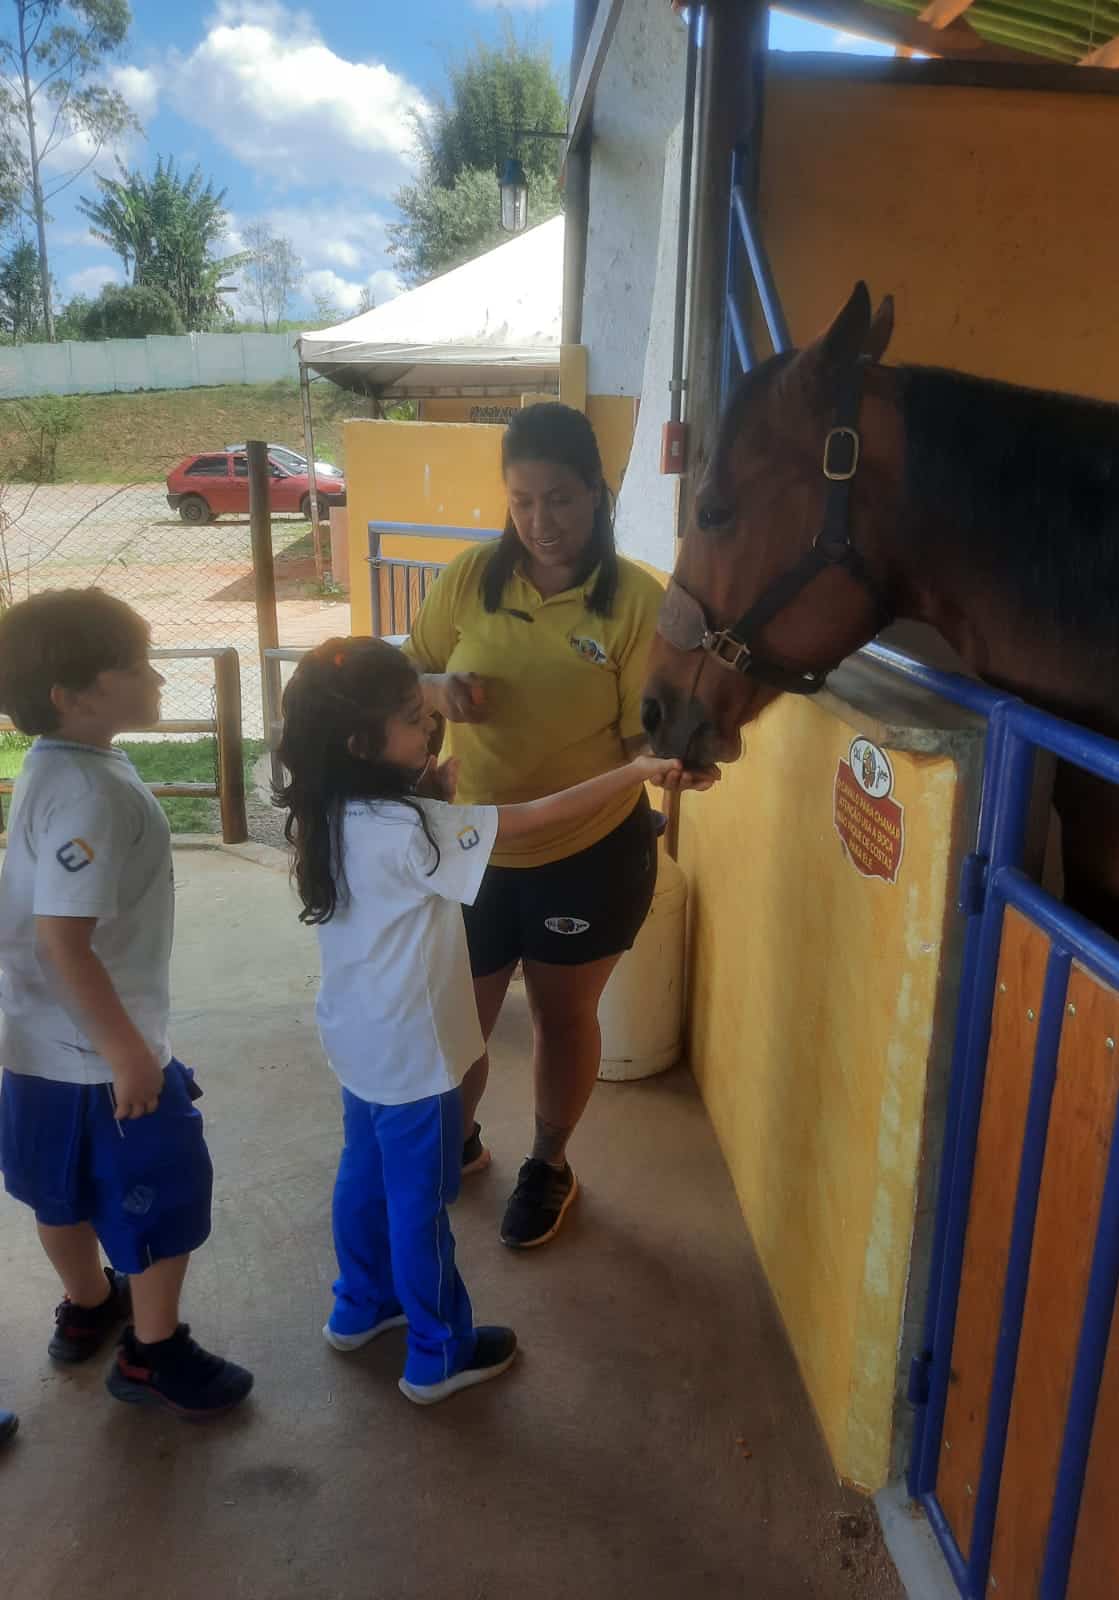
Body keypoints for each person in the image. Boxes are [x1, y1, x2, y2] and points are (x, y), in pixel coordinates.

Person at [275, 637, 709, 1403]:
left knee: (363, 1174)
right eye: (412, 718)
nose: (429, 726)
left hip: (357, 1039)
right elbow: (535, 817)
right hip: (416, 1054)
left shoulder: (323, 806)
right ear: (362, 745)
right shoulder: (418, 832)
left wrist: (427, 789)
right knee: (420, 1205)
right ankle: (438, 1353)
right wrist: (638, 772)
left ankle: (360, 1305)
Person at [408, 402, 700, 1250]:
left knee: (562, 1018)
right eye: (523, 500)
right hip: (470, 848)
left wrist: (675, 762)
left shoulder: (635, 602)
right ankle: (457, 1142)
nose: (541, 522)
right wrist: (436, 693)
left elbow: (646, 739)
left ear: (597, 494)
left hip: (586, 851)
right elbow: (411, 672)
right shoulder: (470, 577)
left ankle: (549, 1163)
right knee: (459, 1015)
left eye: (561, 499)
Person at [0, 590, 253, 1418]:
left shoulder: (53, 764)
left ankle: (88, 1303)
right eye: (135, 666)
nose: (156, 677)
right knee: (165, 1190)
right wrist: (129, 1054)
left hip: (37, 1044)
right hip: (98, 1053)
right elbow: (63, 940)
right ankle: (153, 1352)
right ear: (73, 696)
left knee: (56, 1190)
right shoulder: (93, 795)